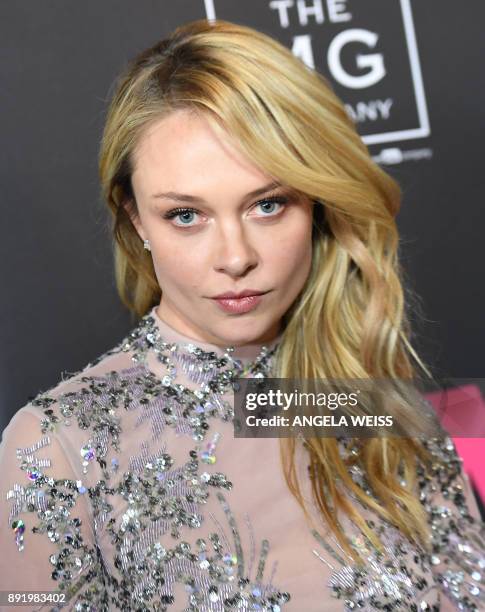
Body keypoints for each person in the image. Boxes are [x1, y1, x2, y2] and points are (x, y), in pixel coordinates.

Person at [1, 18, 484, 612]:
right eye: (186, 215)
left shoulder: (371, 407)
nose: (235, 258)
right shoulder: (60, 449)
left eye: (267, 204)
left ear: (316, 204)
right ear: (135, 220)